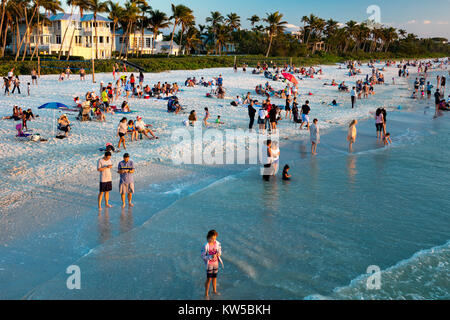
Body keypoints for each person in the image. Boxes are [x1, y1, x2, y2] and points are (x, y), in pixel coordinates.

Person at [201, 230, 222, 299]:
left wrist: (219, 254)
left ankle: (214, 290)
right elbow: (203, 256)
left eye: (215, 238)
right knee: (209, 279)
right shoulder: (205, 246)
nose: (214, 240)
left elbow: (219, 251)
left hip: (216, 263)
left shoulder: (217, 243)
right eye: (212, 238)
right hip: (209, 264)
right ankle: (206, 293)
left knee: (214, 278)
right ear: (208, 238)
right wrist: (210, 257)